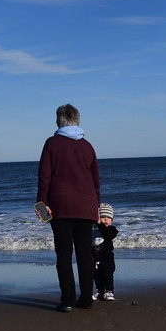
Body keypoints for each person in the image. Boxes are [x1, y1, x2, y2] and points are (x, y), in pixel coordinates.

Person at [36, 103, 100, 312]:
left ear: (59, 121)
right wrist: (96, 208)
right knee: (84, 255)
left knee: (63, 255)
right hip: (86, 206)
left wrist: (41, 204)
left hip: (60, 206)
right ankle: (87, 299)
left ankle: (67, 300)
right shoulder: (88, 146)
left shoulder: (52, 143)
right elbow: (95, 181)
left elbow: (45, 176)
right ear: (77, 120)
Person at [92, 203, 118, 301]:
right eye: (103, 217)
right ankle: (99, 291)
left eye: (108, 217)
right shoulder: (93, 230)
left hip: (107, 257)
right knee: (96, 275)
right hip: (95, 257)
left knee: (108, 273)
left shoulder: (111, 229)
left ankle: (109, 291)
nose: (106, 219)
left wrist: (100, 224)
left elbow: (108, 234)